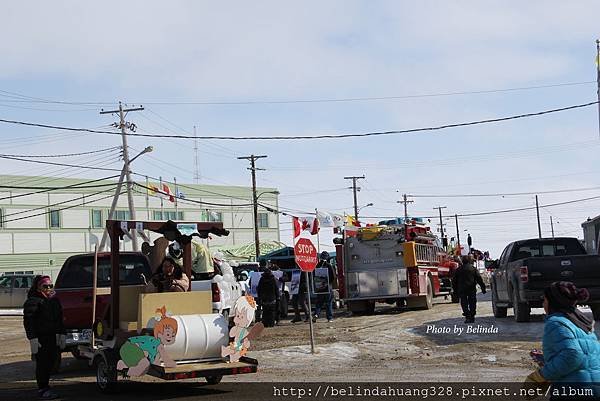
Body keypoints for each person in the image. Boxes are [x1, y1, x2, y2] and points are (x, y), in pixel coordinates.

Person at [523, 282, 600, 398]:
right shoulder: (583, 323)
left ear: (552, 302)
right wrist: (549, 359)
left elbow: (573, 355)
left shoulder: (556, 322)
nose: (543, 304)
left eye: (544, 300)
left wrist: (541, 375)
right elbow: (585, 357)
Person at [23, 275, 66, 400]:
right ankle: (43, 388)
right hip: (41, 339)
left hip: (52, 337)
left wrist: (62, 333)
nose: (48, 288)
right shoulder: (32, 301)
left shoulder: (54, 301)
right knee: (43, 364)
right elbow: (29, 322)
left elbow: (59, 319)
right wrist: (33, 339)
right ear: (38, 287)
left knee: (52, 362)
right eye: (45, 286)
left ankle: (46, 386)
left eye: (50, 286)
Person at [452, 254, 486, 323]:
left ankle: (467, 315)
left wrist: (455, 290)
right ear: (470, 261)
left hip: (462, 289)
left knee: (464, 302)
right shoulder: (473, 269)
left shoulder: (458, 270)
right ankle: (472, 316)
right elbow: (479, 279)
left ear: (462, 261)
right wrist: (483, 288)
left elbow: (454, 281)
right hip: (471, 289)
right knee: (472, 302)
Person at [313, 251, 338, 323]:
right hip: (327, 287)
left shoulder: (317, 266)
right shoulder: (329, 265)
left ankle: (316, 314)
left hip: (319, 287)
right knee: (328, 302)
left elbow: (314, 276)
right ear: (327, 257)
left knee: (319, 303)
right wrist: (328, 283)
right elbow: (333, 277)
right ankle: (329, 318)